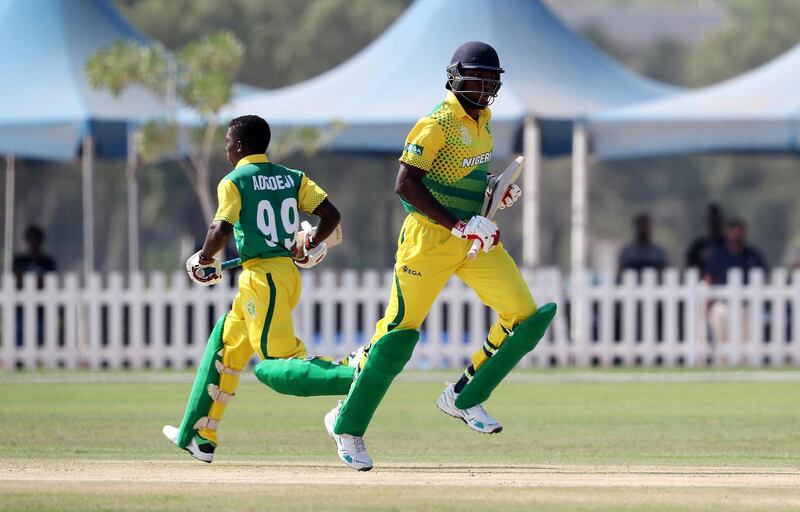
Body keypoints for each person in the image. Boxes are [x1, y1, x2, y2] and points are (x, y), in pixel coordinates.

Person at [322, 41, 556, 471]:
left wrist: (494, 193)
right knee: (396, 337)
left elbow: (463, 175)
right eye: (477, 78)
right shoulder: (436, 122)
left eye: (491, 80)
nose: (485, 87)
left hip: (474, 240)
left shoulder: (484, 119)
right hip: (429, 241)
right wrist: (458, 225)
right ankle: (347, 424)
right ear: (455, 77)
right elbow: (406, 185)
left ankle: (464, 397)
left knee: (524, 316)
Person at [162, 115, 356, 463]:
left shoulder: (233, 181)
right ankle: (200, 436)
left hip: (261, 277)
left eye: (227, 142)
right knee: (228, 344)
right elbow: (331, 216)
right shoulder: (292, 177)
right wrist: (309, 241)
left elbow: (221, 227)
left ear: (239, 146)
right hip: (283, 273)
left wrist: (205, 258)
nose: (225, 149)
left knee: (277, 365)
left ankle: (356, 375)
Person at [704, 219, 767, 349]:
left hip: (746, 305)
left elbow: (764, 277)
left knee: (746, 342)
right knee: (721, 340)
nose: (738, 235)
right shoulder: (718, 255)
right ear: (728, 233)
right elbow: (709, 278)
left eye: (740, 231)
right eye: (735, 231)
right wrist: (708, 302)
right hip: (722, 305)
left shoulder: (752, 254)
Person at [617, 213, 667, 282]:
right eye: (642, 227)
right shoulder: (627, 251)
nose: (644, 230)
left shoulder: (657, 251)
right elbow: (620, 273)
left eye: (646, 227)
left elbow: (662, 273)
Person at [685, 203, 724, 274]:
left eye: (716, 220)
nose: (714, 223)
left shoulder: (727, 245)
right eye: (711, 220)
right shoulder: (698, 246)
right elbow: (690, 266)